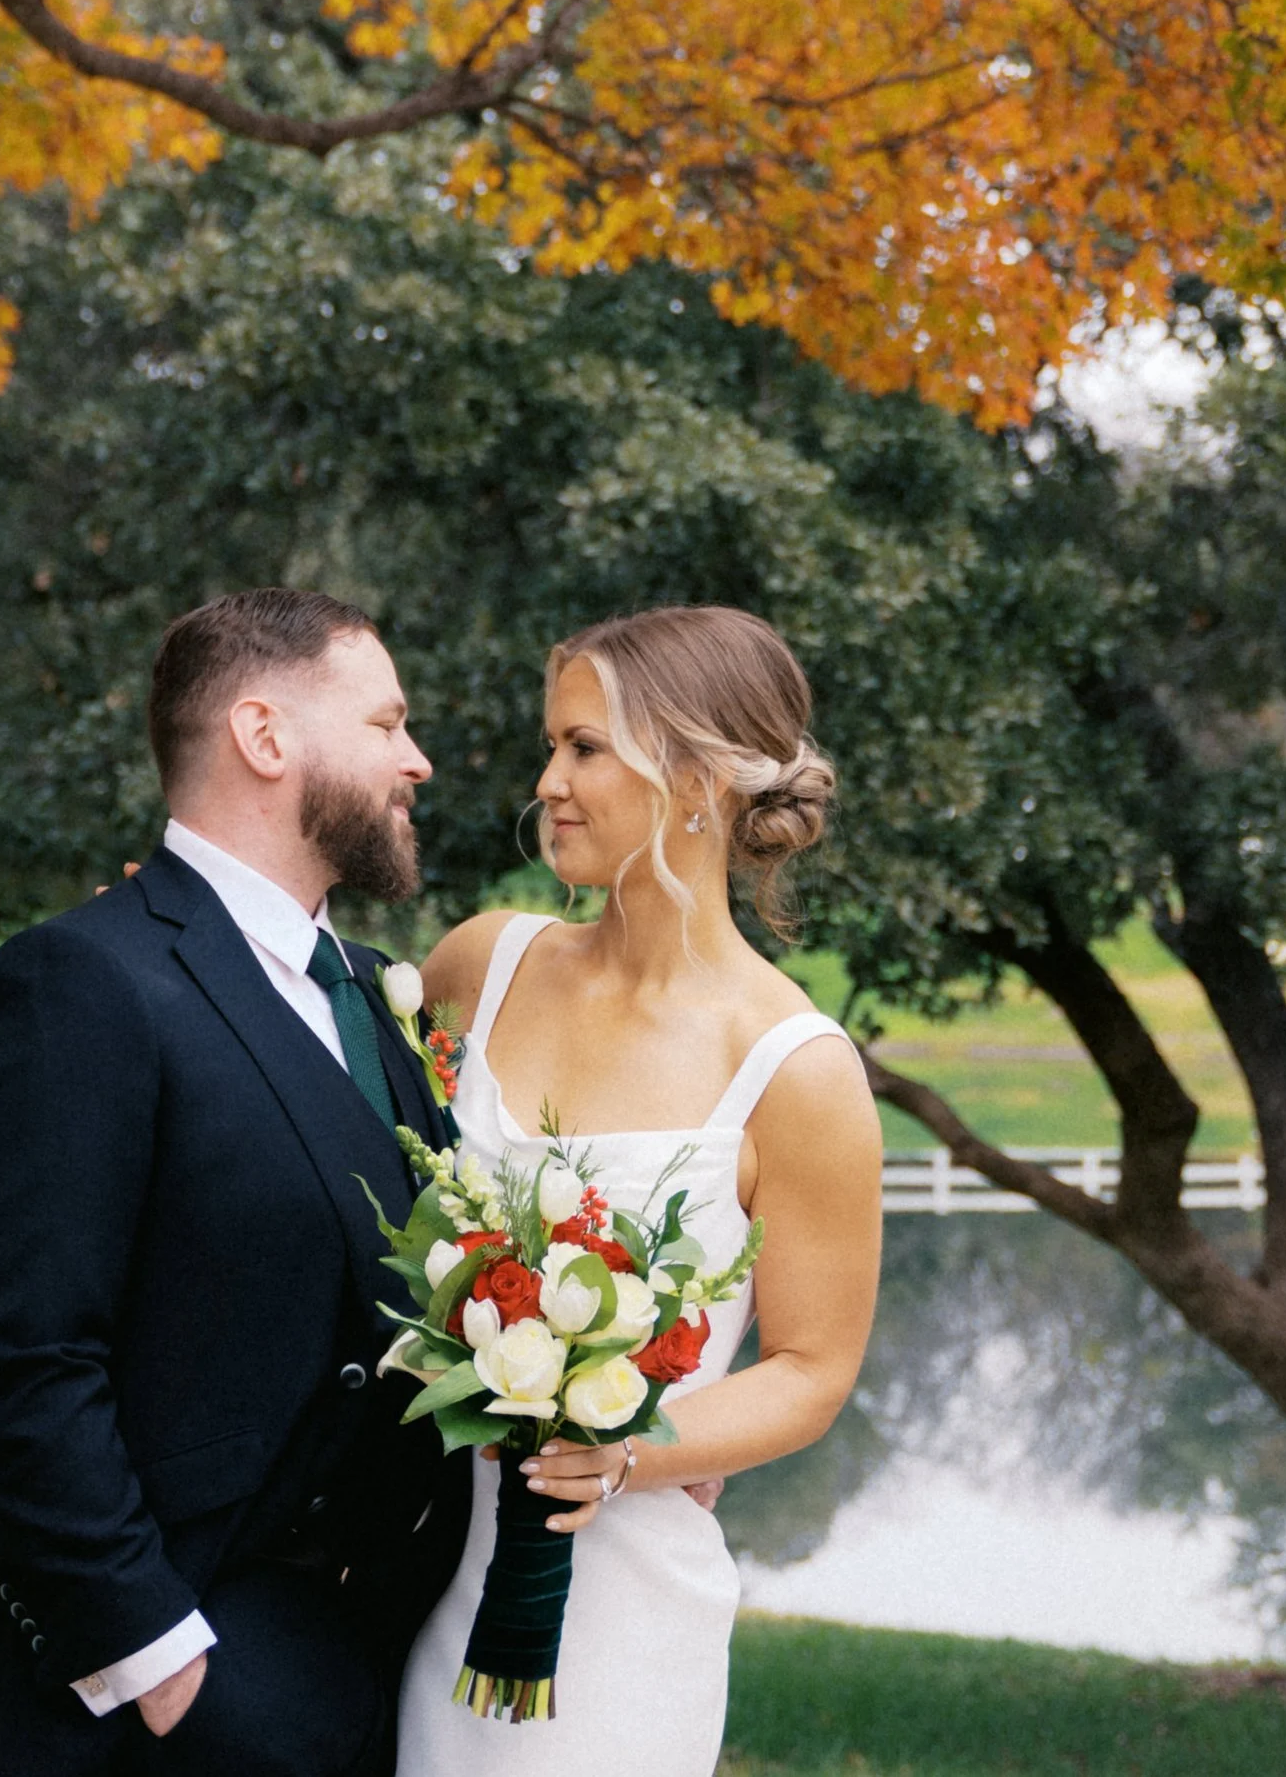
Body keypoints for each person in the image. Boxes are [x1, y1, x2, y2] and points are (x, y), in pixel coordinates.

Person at [0, 586, 469, 1775]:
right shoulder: (80, 982)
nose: (416, 761)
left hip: (371, 1671)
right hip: (163, 1702)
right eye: (386, 725)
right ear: (265, 736)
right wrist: (163, 1668)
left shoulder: (376, 993)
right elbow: (20, 1363)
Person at [398, 605, 883, 1776]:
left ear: (699, 781)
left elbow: (811, 1371)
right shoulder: (480, 965)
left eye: (584, 748)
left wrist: (627, 1447)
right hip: (404, 1563)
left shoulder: (795, 1069)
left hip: (613, 1603)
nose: (547, 781)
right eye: (553, 746)